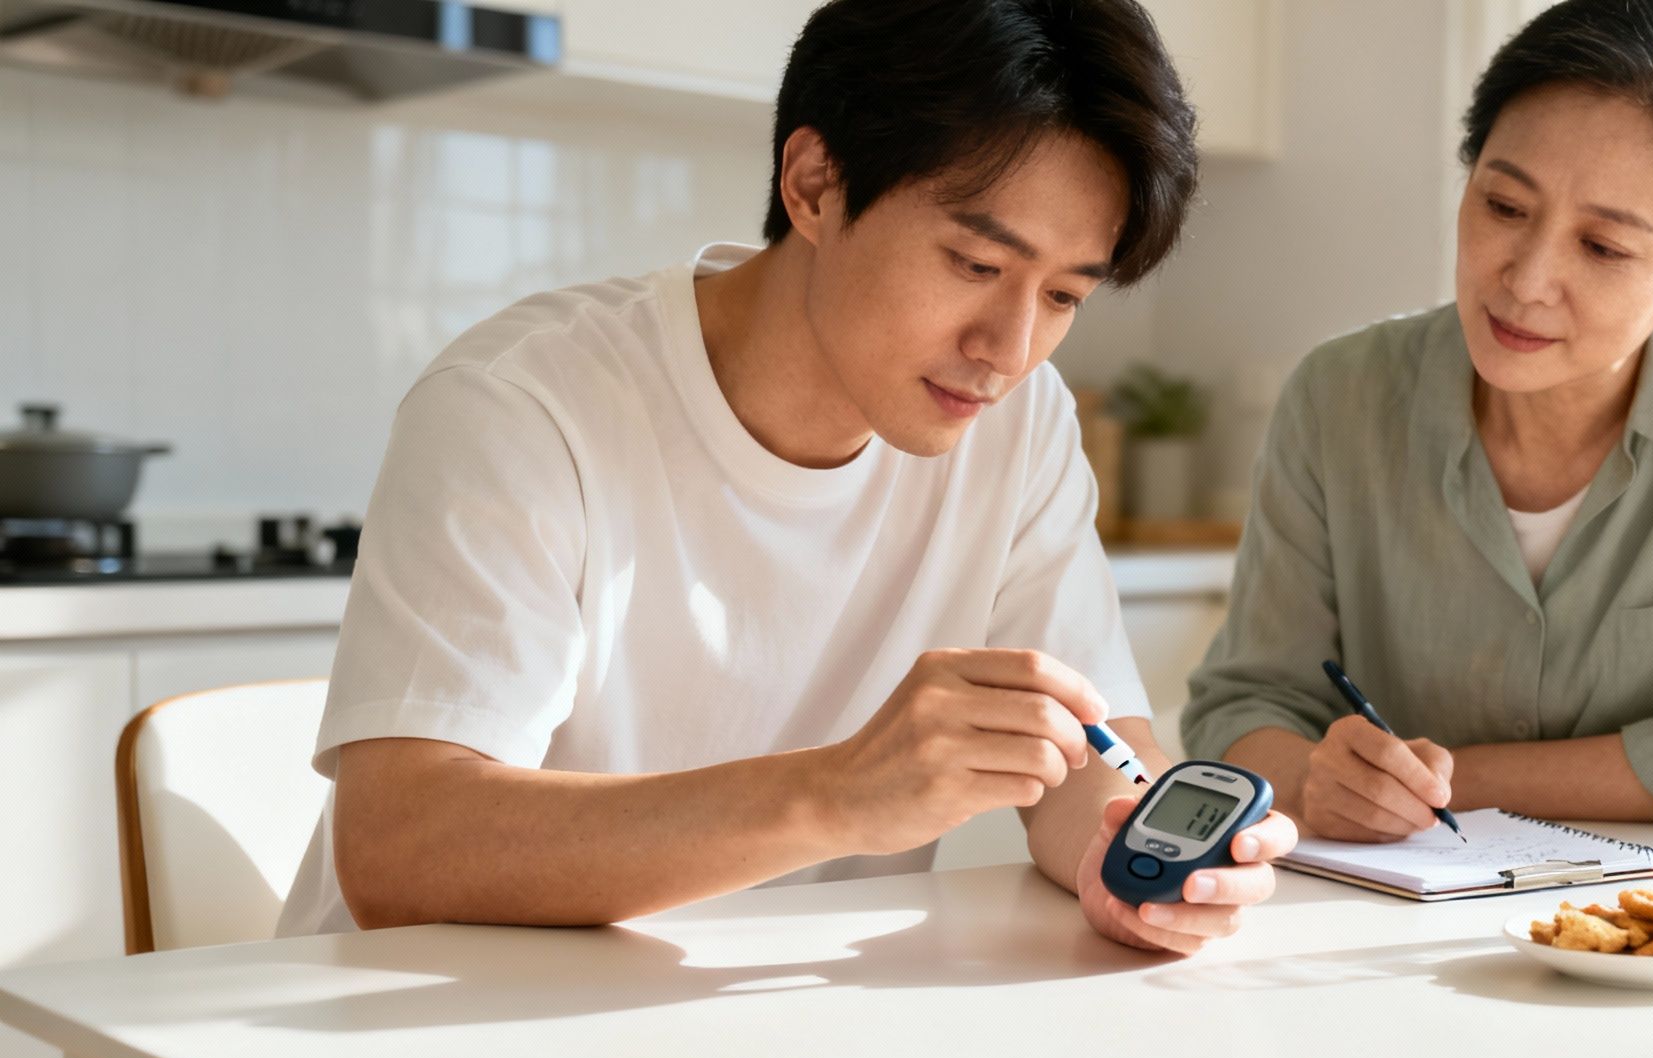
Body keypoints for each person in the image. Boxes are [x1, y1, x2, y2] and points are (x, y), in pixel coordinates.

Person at [277, 0, 1296, 951]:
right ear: (812, 185)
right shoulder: (526, 403)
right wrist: (841, 794)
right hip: (411, 1042)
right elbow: (400, 849)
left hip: (744, 1031)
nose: (1008, 347)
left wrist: (1144, 872)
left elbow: (1089, 757)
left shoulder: (1019, 425)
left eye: (1065, 295)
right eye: (975, 267)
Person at [1182, 0, 1653, 840]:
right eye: (1505, 207)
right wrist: (1308, 778)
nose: (1527, 278)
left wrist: (1444, 780)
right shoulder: (1340, 396)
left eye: (1604, 248)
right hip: (1382, 926)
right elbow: (1242, 706)